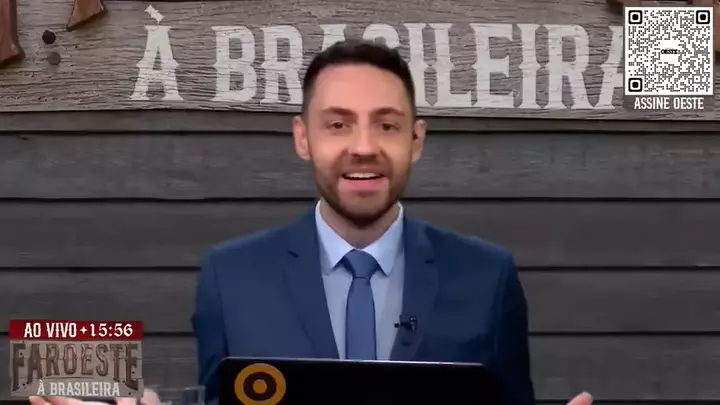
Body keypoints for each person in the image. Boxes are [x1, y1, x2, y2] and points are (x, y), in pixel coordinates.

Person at [29, 40, 594, 405]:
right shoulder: (231, 277)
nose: (364, 147)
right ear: (303, 138)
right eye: (338, 124)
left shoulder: (488, 277)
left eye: (387, 125)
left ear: (417, 140)